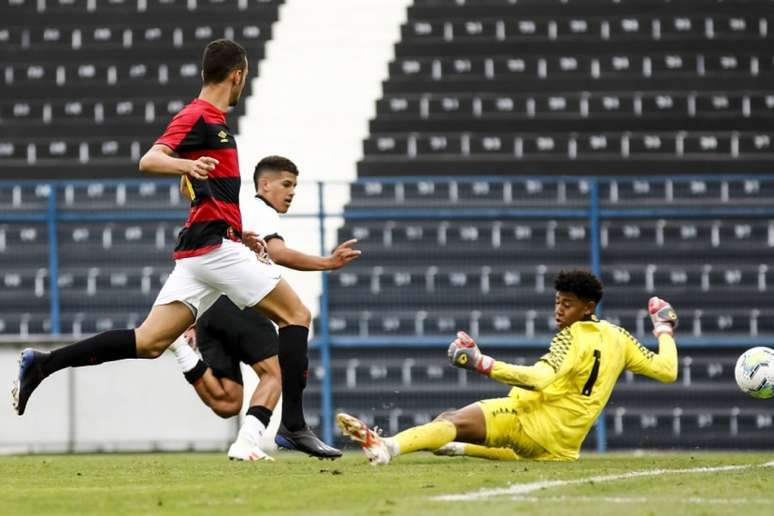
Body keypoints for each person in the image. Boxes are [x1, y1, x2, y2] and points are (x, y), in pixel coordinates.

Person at [11, 39, 336, 458]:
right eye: (245, 76)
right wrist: (186, 165)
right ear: (237, 74)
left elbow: (212, 196)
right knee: (297, 315)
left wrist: (240, 233)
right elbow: (150, 158)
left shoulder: (214, 121)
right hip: (214, 252)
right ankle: (292, 425)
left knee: (148, 342)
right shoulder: (198, 115)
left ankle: (42, 364)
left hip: (205, 252)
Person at [336, 269, 679, 464]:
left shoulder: (571, 337)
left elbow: (540, 379)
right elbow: (667, 369)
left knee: (450, 420)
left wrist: (482, 363)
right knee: (491, 442)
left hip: (528, 420)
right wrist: (662, 329)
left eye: (569, 305)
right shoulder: (618, 337)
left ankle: (386, 447)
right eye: (558, 302)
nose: (560, 311)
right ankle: (458, 447)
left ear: (588, 307)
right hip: (563, 448)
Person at [169, 155, 361, 460]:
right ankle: (248, 443)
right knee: (277, 372)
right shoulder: (261, 209)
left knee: (227, 402)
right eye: (286, 184)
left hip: (209, 309)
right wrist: (328, 262)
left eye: (295, 187)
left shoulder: (234, 211)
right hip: (237, 303)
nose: (291, 192)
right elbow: (277, 252)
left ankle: (180, 349)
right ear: (264, 184)